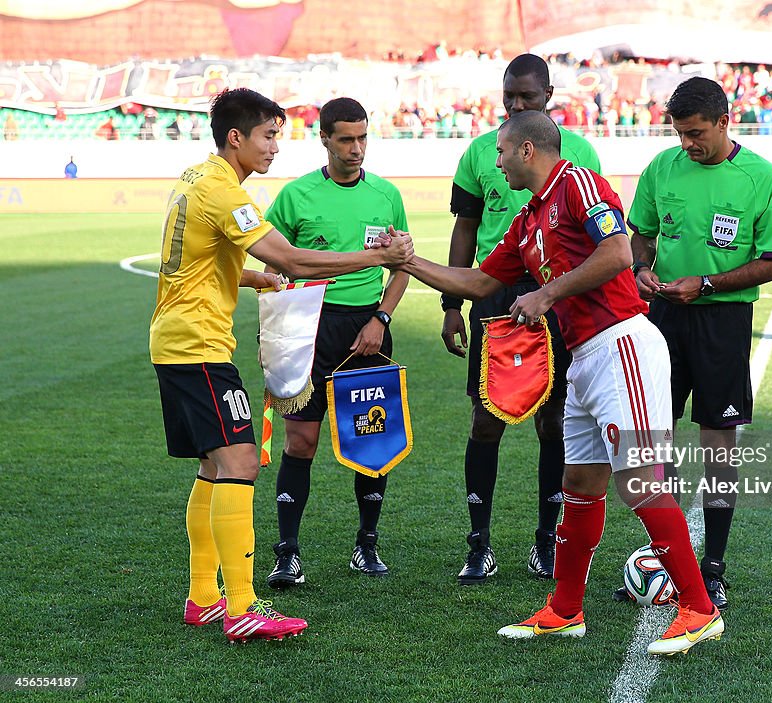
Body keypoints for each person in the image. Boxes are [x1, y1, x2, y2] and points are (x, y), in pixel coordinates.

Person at [395, 110, 723, 656]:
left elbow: (617, 253)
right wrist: (406, 262)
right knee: (582, 484)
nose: (495, 163)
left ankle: (698, 607)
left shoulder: (577, 183)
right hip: (584, 357)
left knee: (639, 482)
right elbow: (478, 281)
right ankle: (565, 609)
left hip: (623, 344)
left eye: (501, 152)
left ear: (528, 150)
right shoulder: (527, 221)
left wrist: (546, 294)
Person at [150, 88, 411, 643]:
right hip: (197, 344)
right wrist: (376, 258)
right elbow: (291, 257)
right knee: (242, 457)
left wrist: (252, 278)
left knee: (214, 465)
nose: (275, 147)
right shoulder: (225, 192)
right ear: (236, 137)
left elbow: (195, 262)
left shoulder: (196, 178)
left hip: (180, 340)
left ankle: (204, 596)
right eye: (268, 136)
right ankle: (242, 606)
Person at [628, 77, 772, 609]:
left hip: (723, 321)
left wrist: (706, 284)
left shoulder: (761, 177)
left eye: (696, 133)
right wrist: (643, 268)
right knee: (656, 439)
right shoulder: (661, 168)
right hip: (661, 319)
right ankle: (664, 558)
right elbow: (641, 235)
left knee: (718, 443)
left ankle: (714, 565)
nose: (686, 144)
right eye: (679, 133)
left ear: (725, 120)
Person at [442, 53, 601, 585]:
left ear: (549, 95)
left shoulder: (580, 158)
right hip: (494, 290)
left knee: (554, 420)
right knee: (485, 420)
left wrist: (558, 294)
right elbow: (466, 226)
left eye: (527, 97)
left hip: (553, 294)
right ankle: (478, 543)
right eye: (509, 95)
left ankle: (546, 541)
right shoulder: (481, 151)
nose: (515, 104)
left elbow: (602, 244)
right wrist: (451, 306)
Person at [262, 97, 410, 587]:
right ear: (323, 138)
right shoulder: (296, 196)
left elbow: (401, 267)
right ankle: (287, 553)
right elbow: (271, 264)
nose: (356, 148)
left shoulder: (386, 196)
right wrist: (286, 319)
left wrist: (382, 318)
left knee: (372, 441)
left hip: (367, 330)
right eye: (345, 139)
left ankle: (367, 545)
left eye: (363, 137)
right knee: (300, 441)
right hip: (309, 329)